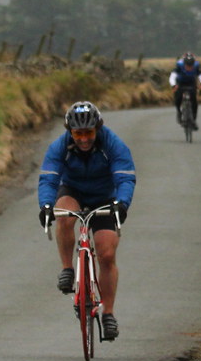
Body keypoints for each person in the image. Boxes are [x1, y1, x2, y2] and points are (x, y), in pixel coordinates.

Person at [38, 101, 136, 341]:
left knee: (107, 254)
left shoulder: (112, 143)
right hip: (73, 191)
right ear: (70, 131)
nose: (83, 139)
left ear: (97, 128)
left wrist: (122, 204)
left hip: (104, 197)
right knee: (63, 215)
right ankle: (67, 269)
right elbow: (49, 178)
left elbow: (125, 177)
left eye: (89, 133)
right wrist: (46, 206)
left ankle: (108, 313)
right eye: (78, 133)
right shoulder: (60, 146)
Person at [169, 52, 201, 129]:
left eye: (191, 66)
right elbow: (172, 76)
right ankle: (179, 112)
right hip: (180, 83)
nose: (189, 67)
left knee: (194, 100)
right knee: (178, 98)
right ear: (184, 63)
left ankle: (194, 120)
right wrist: (173, 85)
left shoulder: (196, 66)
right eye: (187, 65)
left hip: (191, 83)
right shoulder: (179, 66)